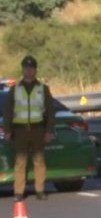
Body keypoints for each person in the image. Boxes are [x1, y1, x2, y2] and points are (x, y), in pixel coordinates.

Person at [3, 55, 55, 202]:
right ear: (22, 69)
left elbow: (50, 112)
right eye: (26, 68)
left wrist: (49, 131)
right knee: (20, 161)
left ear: (35, 70)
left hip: (38, 129)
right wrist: (7, 130)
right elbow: (8, 111)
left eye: (31, 68)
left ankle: (40, 190)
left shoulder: (43, 88)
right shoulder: (15, 89)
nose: (29, 71)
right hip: (20, 130)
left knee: (39, 160)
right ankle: (18, 192)